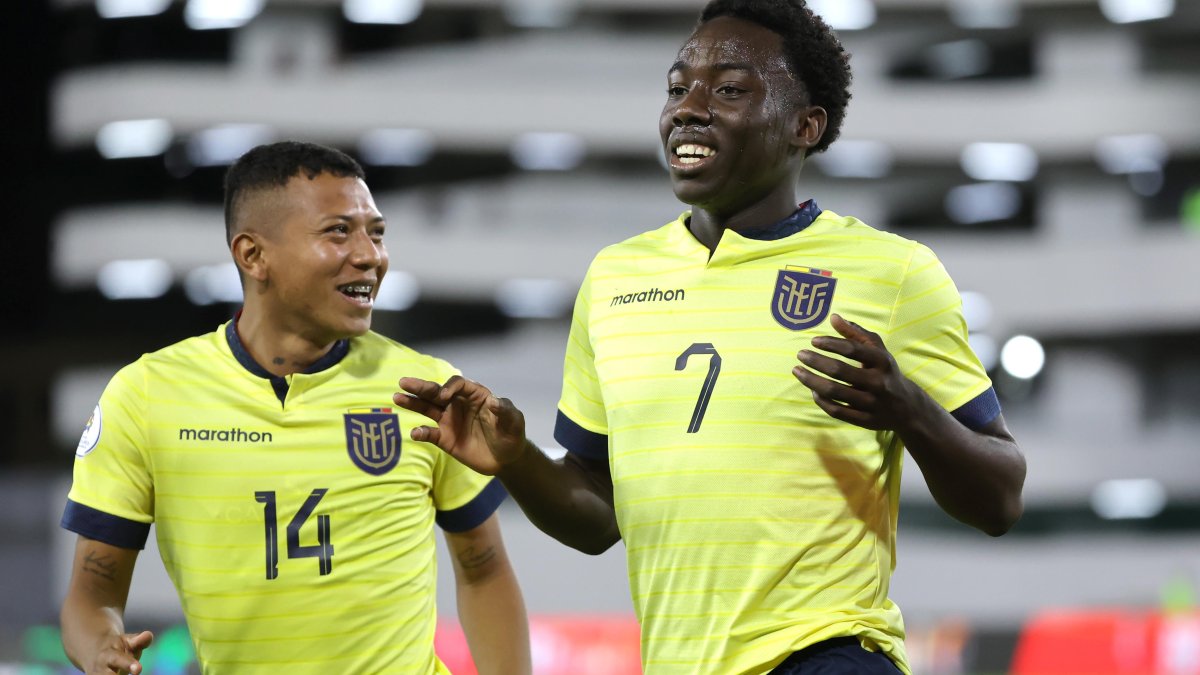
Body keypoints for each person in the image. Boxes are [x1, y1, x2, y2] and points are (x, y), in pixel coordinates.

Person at [394, 1, 1027, 674]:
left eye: (728, 89)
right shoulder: (615, 278)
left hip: (828, 653)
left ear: (803, 126)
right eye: (677, 87)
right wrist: (519, 459)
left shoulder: (894, 273)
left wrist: (912, 410)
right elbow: (598, 517)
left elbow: (1002, 497)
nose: (687, 108)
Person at [59, 141, 531, 675]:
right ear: (252, 255)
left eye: (375, 232)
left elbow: (483, 569)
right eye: (338, 231)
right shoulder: (147, 394)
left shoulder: (429, 390)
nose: (370, 255)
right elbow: (92, 592)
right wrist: (100, 647)